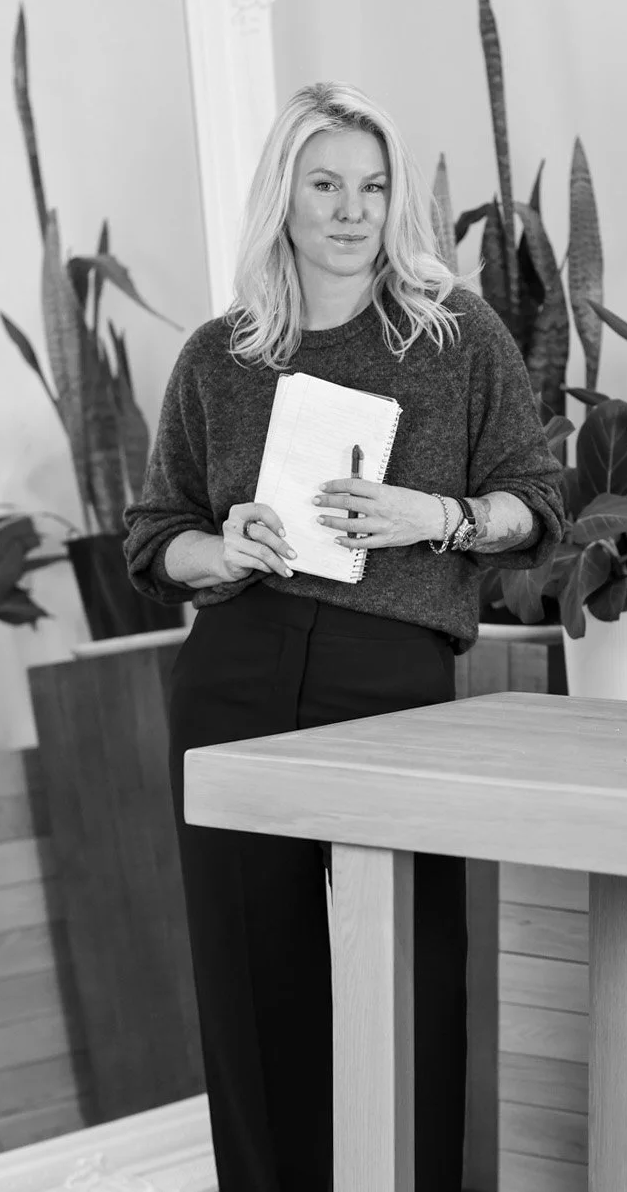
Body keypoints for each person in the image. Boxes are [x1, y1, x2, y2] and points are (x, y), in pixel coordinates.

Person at [123, 80, 565, 1192]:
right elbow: (152, 535)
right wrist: (219, 549)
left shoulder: (457, 336)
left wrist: (441, 518)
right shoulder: (218, 355)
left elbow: (534, 499)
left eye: (372, 186)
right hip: (234, 672)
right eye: (325, 184)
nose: (351, 208)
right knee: (250, 975)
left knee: (407, 968)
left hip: (390, 676)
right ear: (285, 195)